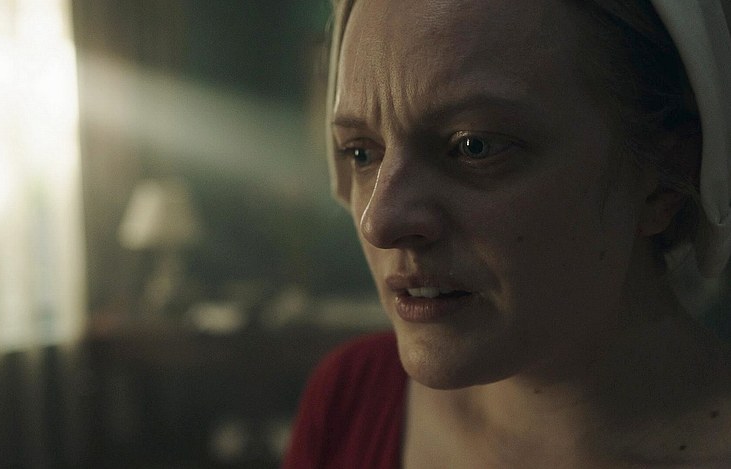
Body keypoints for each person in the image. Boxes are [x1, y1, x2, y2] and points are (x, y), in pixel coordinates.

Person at [283, 0, 731, 467]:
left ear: (664, 176)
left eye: (474, 146)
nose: (380, 223)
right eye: (360, 153)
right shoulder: (350, 401)